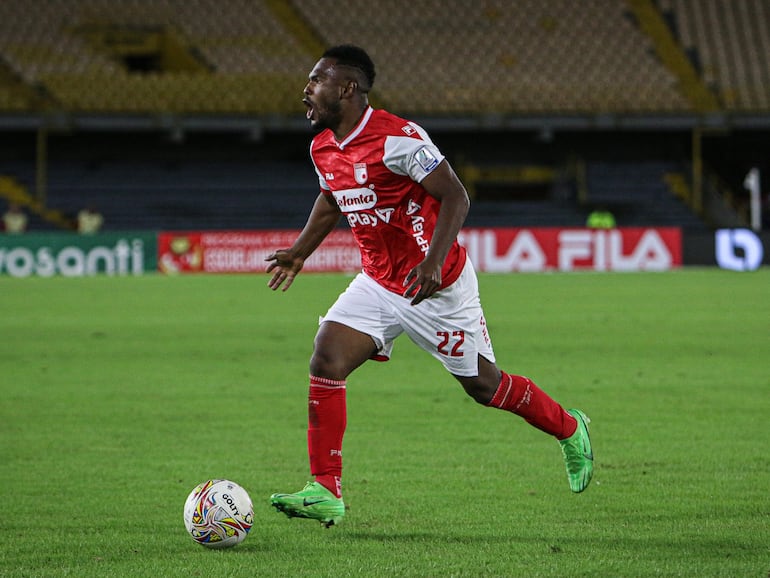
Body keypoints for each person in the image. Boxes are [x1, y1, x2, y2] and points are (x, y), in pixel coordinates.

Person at [266, 45, 594, 528]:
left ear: (348, 88)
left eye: (316, 80)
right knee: (327, 356)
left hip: (435, 288)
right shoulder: (322, 147)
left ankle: (570, 428)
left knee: (484, 386)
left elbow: (455, 195)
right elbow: (332, 201)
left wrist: (434, 262)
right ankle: (325, 488)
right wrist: (299, 251)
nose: (306, 90)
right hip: (378, 283)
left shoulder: (398, 139)